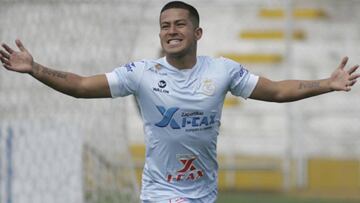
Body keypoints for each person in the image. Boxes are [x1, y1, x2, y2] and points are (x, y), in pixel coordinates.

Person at [1, 1, 359, 203]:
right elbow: (80, 85)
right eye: (165, 26)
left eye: (179, 25)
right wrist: (35, 68)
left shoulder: (222, 71)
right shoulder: (140, 72)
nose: (171, 31)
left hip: (204, 193)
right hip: (159, 192)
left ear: (197, 33)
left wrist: (327, 83)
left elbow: (279, 91)